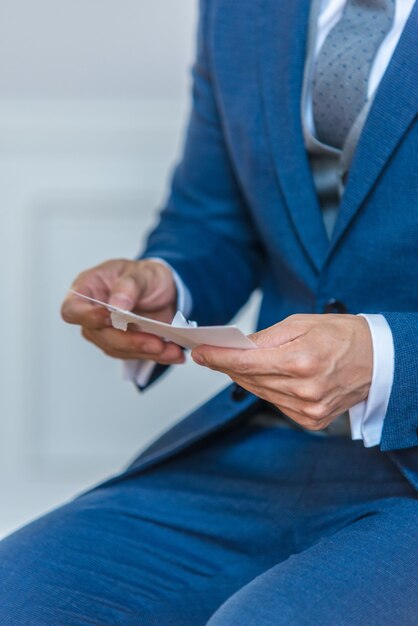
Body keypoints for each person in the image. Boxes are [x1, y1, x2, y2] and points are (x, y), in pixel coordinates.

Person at [1, 0, 417, 623]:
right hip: (256, 450)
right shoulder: (241, 11)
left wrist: (388, 360)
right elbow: (211, 218)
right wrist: (166, 283)